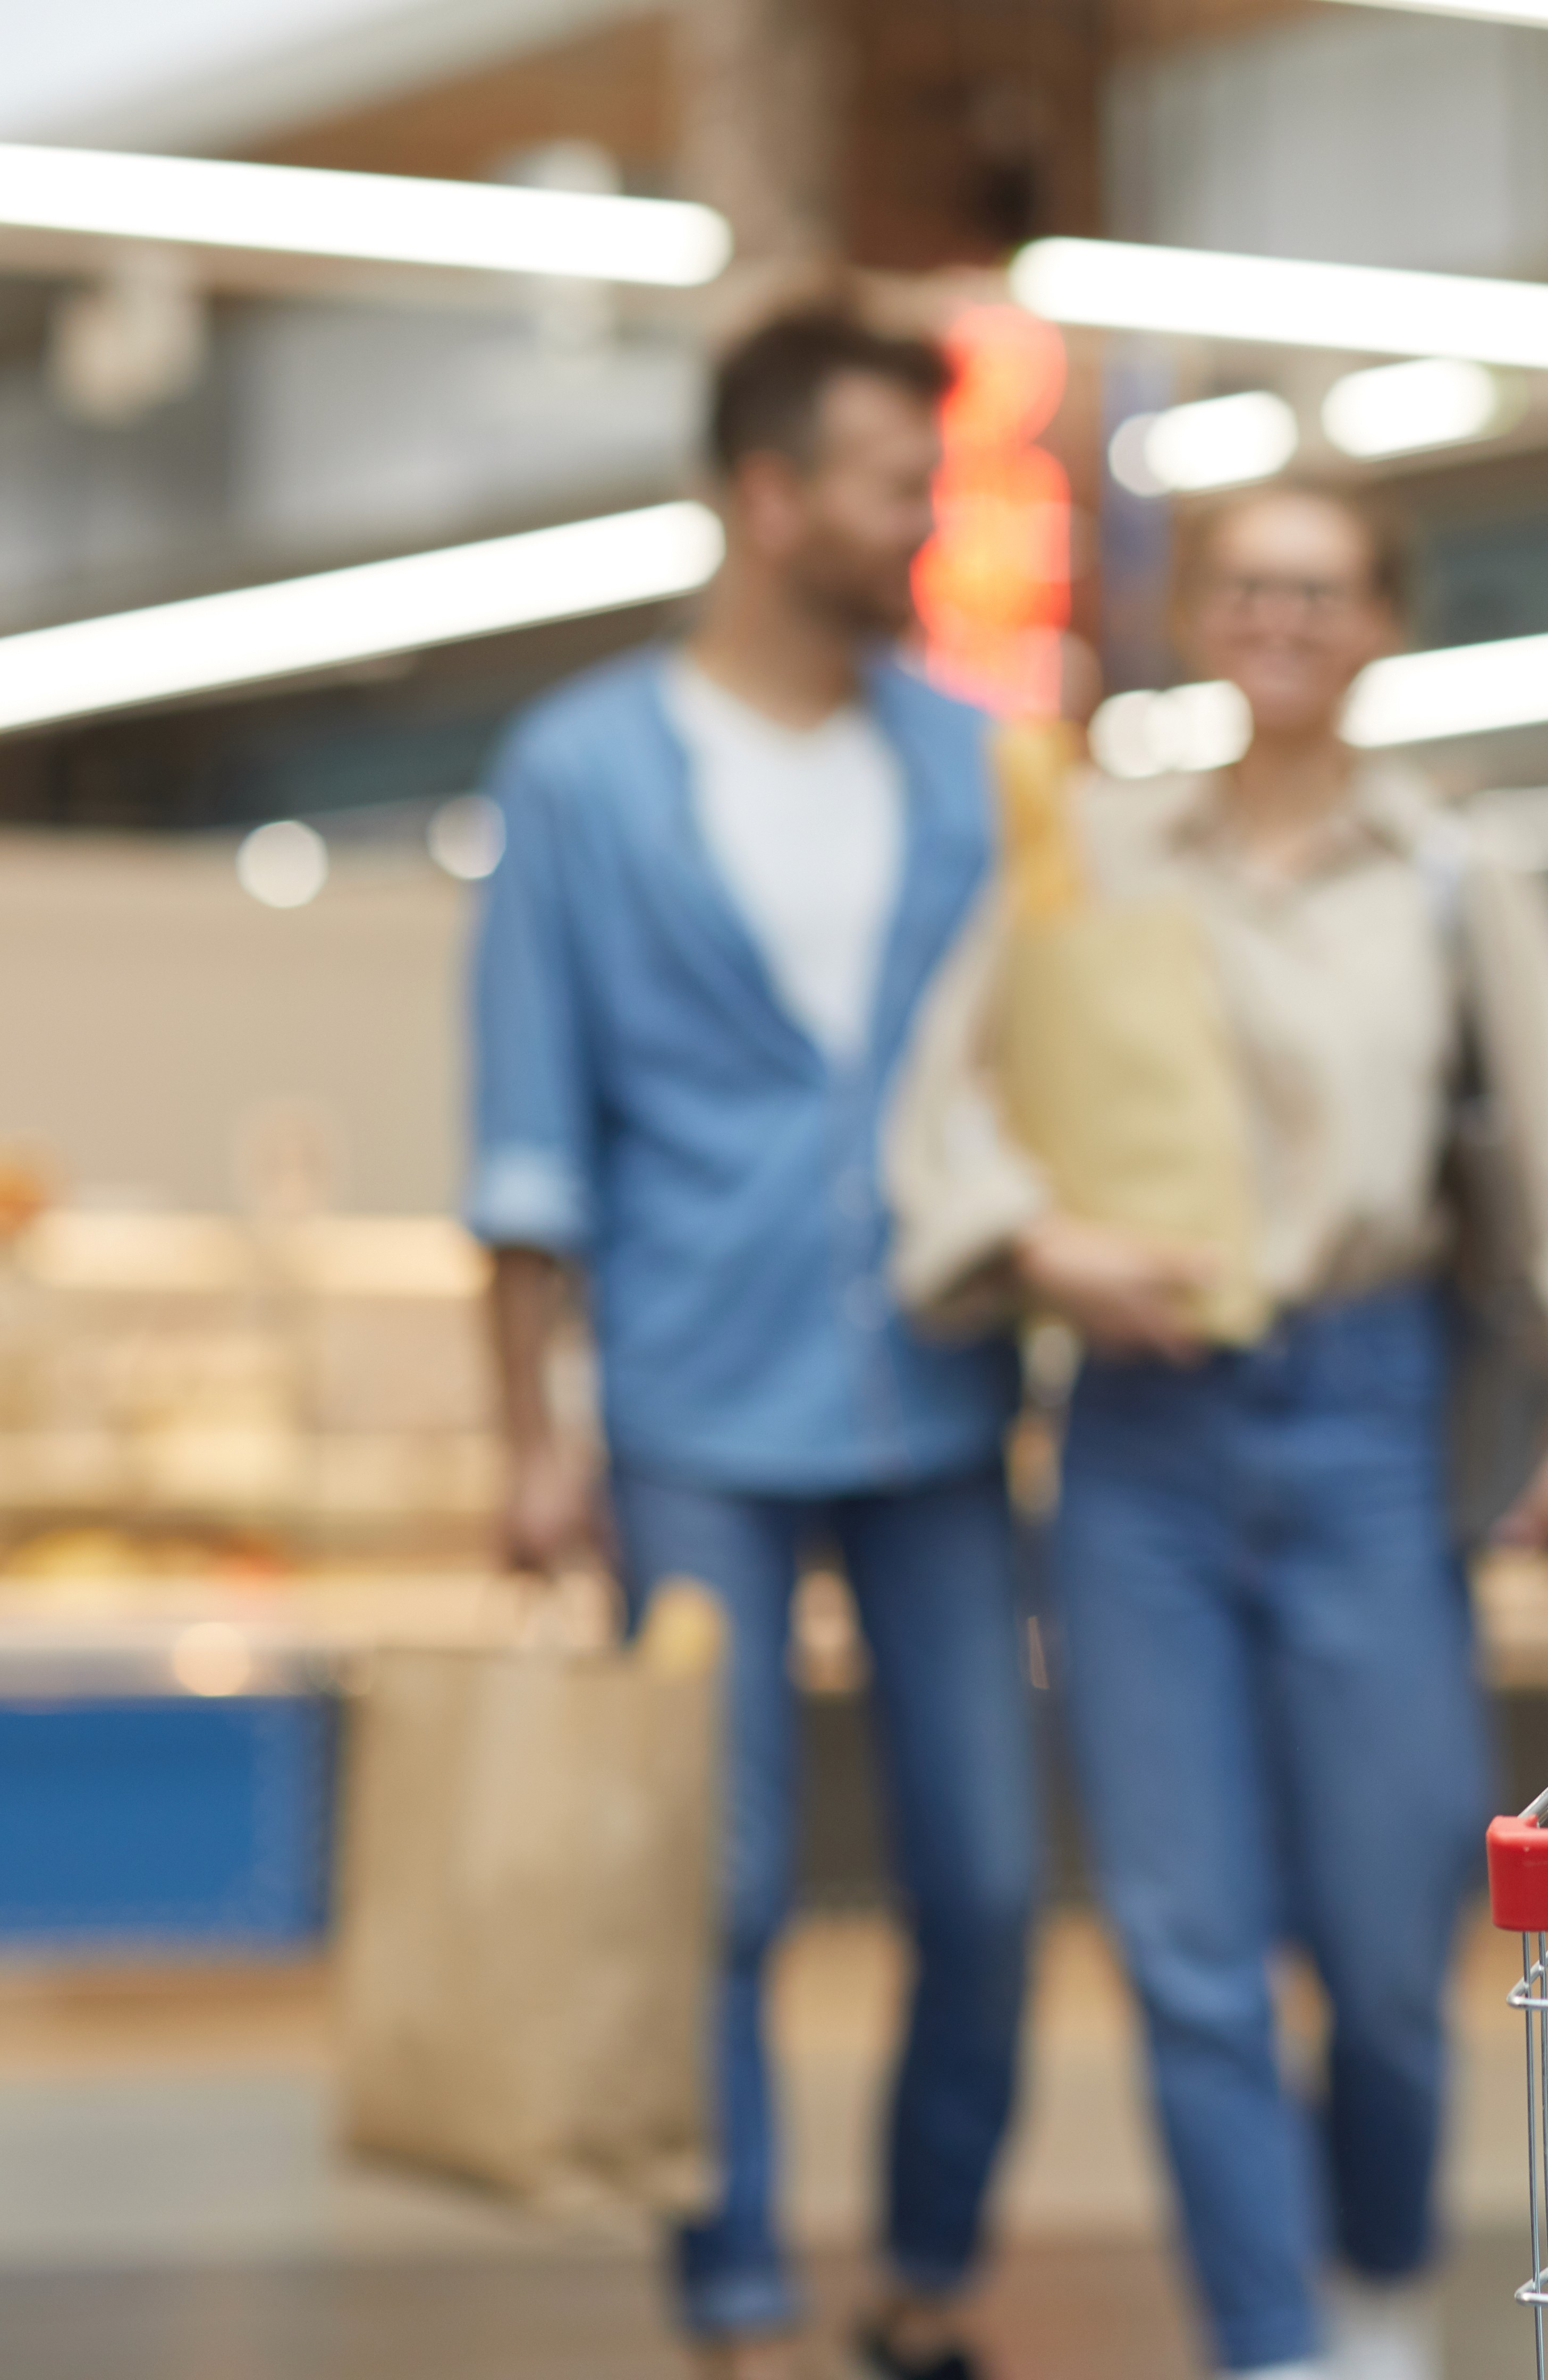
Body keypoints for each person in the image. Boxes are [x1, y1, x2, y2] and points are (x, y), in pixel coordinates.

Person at [886, 481, 1548, 2380]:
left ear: (1382, 618)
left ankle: (1375, 2284)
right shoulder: (1096, 851)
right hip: (1140, 1437)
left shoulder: (1447, 869)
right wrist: (1041, 1244)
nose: (1283, 618)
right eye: (1248, 585)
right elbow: (942, 1102)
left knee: (1391, 1956)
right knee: (1186, 1947)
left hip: (1369, 1417)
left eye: (1322, 588)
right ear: (1198, 616)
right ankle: (1269, 2343)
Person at [468, 313, 1039, 2380]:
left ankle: (927, 2262)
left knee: (984, 1872)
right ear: (772, 495)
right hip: (689, 1402)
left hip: (944, 1385)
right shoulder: (585, 771)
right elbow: (527, 1133)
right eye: (898, 480)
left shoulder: (980, 764)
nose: (929, 520)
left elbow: (1041, 1068)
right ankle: (730, 2302)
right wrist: (527, 1435)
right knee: (711, 1885)